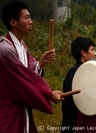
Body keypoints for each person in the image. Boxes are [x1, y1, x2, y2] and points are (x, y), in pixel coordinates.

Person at [0, 1, 64, 132]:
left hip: (21, 106)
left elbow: (27, 69)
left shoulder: (21, 45)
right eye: (26, 17)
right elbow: (22, 78)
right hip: (8, 108)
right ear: (13, 22)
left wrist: (40, 63)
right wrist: (49, 93)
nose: (31, 21)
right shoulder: (5, 49)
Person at [62, 36, 96, 133]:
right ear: (83, 53)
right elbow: (75, 100)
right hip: (75, 121)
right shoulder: (74, 72)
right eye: (92, 50)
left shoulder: (87, 70)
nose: (95, 53)